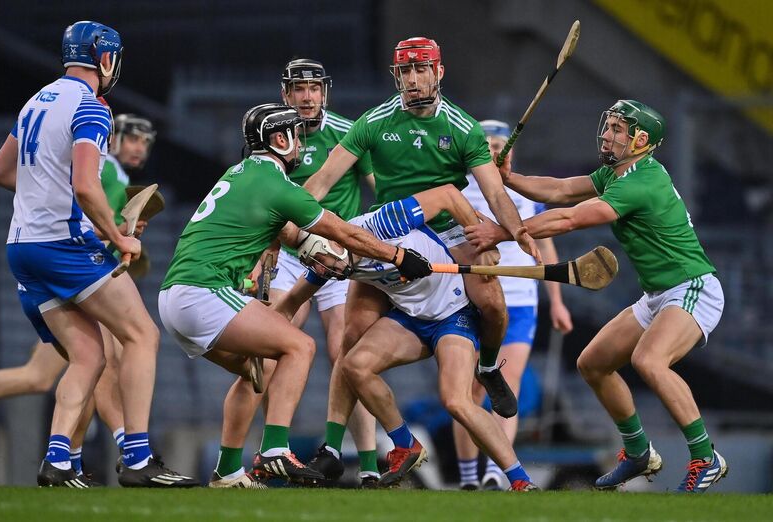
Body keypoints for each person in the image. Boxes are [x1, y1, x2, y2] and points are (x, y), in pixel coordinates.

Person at [157, 103, 432, 487]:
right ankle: (273, 449)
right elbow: (346, 234)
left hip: (174, 298)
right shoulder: (278, 185)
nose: (301, 143)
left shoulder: (240, 172)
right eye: (296, 135)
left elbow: (283, 229)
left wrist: (308, 252)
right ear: (279, 139)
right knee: (300, 347)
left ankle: (228, 470)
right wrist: (398, 256)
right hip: (204, 293)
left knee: (260, 368)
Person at [300, 37, 539, 476]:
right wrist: (280, 219)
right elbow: (320, 181)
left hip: (448, 227)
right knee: (349, 340)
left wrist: (515, 231)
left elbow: (493, 193)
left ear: (439, 72)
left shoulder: (463, 127)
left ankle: (487, 365)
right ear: (397, 76)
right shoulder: (374, 122)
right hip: (393, 228)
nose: (412, 79)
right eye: (405, 72)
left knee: (492, 303)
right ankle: (334, 450)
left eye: (421, 70)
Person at [465, 100, 728, 493]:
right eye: (609, 125)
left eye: (618, 130)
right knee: (592, 364)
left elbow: (569, 218)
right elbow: (561, 190)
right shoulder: (616, 173)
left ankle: (706, 456)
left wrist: (503, 232)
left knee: (649, 361)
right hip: (657, 294)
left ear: (640, 141)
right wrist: (510, 178)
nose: (607, 134)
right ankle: (638, 452)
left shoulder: (641, 182)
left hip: (693, 287)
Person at [0, 20, 196, 488]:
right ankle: (139, 460)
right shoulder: (92, 107)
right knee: (142, 334)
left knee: (87, 355)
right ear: (105, 59)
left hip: (21, 248)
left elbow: (0, 172)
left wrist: (48, 194)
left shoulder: (35, 100)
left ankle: (58, 461)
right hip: (62, 245)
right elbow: (85, 185)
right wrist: (120, 237)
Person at [273, 184, 539, 490]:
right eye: (314, 262)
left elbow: (448, 195)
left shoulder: (383, 222)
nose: (326, 268)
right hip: (410, 318)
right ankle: (405, 444)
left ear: (335, 238)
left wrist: (482, 242)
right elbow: (289, 305)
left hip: (453, 314)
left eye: (322, 256)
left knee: (456, 401)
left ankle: (520, 480)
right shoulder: (329, 263)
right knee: (353, 364)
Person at [0, 109, 158, 479]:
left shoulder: (110, 174)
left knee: (44, 375)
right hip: (79, 278)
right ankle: (124, 449)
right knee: (105, 362)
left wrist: (121, 228)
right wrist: (123, 230)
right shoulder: (106, 171)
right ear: (112, 138)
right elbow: (86, 224)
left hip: (56, 269)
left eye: (145, 141)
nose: (139, 147)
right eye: (132, 138)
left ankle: (67, 460)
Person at [269, 58, 379, 486]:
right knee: (273, 344)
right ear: (286, 94)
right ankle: (272, 454)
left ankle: (368, 466)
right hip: (289, 252)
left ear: (325, 92)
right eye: (299, 88)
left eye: (314, 88)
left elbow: (380, 189)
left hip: (339, 255)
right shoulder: (271, 134)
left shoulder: (349, 133)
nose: (308, 96)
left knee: (346, 352)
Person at [452, 120, 574, 491]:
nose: (492, 150)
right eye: (485, 144)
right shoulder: (460, 188)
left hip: (520, 300)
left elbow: (545, 241)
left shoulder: (523, 191)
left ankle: (495, 470)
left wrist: (556, 300)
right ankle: (470, 477)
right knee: (469, 392)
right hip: (476, 299)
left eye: (499, 144)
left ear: (509, 149)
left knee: (508, 387)